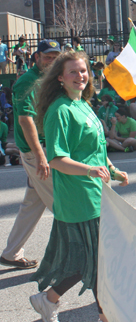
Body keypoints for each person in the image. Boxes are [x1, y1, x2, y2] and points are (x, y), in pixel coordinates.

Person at [30, 51, 128, 322]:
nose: (80, 76)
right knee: (97, 260)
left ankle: (48, 299)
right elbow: (57, 159)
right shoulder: (59, 111)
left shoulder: (83, 104)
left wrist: (112, 169)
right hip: (78, 196)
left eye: (83, 71)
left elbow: (94, 147)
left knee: (94, 258)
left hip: (96, 193)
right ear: (60, 78)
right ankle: (105, 315)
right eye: (73, 72)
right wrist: (89, 170)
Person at [0, 40, 61, 270]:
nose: (52, 60)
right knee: (63, 205)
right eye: (48, 56)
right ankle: (74, 258)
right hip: (36, 152)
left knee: (32, 204)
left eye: (56, 56)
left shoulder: (52, 79)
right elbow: (25, 121)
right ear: (36, 57)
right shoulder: (26, 81)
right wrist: (40, 157)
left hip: (46, 148)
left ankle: (11, 253)